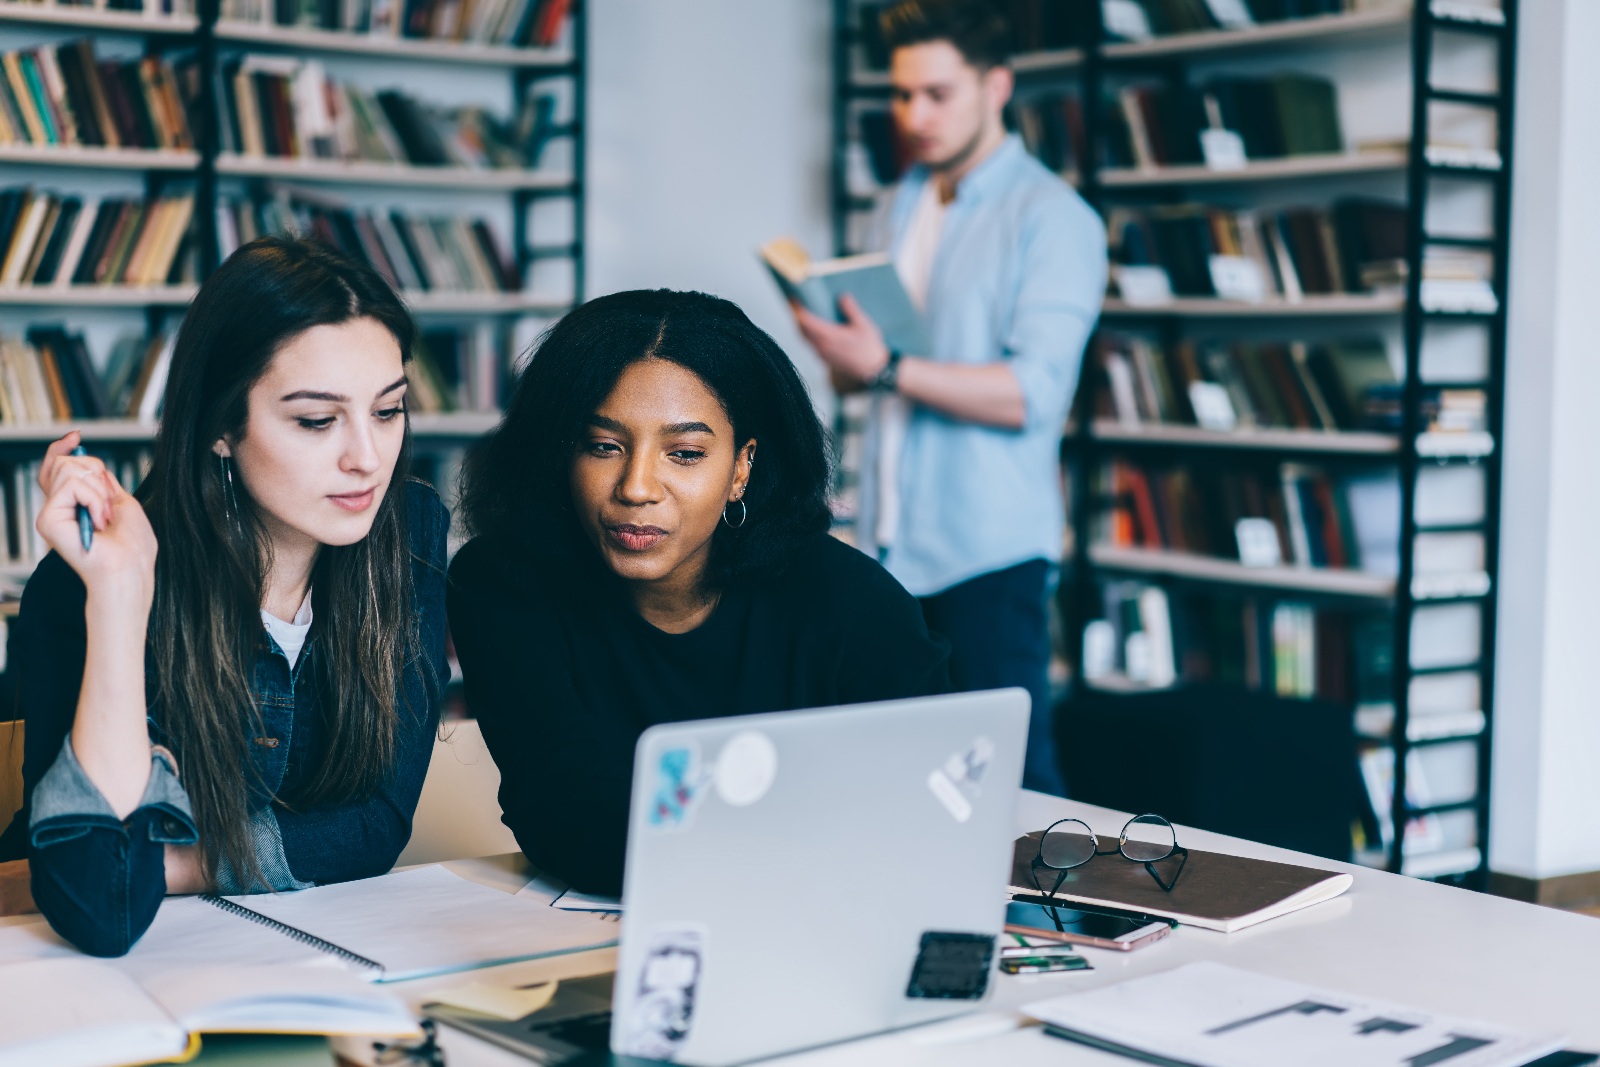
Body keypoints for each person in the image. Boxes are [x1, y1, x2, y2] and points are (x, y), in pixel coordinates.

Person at [4, 236, 449, 956]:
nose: (367, 457)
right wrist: (120, 596)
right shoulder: (87, 580)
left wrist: (174, 862)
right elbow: (106, 906)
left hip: (295, 956)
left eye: (389, 410)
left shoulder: (410, 532)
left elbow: (377, 826)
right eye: (317, 420)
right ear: (219, 428)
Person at [449, 289, 950, 896]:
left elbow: (926, 802)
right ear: (562, 453)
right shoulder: (503, 584)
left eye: (684, 454)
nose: (636, 488)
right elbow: (567, 815)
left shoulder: (853, 603)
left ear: (742, 467)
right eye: (603, 446)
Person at [792, 0, 1106, 796]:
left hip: (988, 554)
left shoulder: (1054, 218)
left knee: (1015, 784)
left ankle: (1058, 924)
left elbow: (1032, 394)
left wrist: (888, 364)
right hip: (890, 543)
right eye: (902, 96)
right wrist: (843, 355)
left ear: (996, 86)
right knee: (907, 778)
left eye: (937, 94)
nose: (915, 115)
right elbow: (873, 373)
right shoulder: (899, 202)